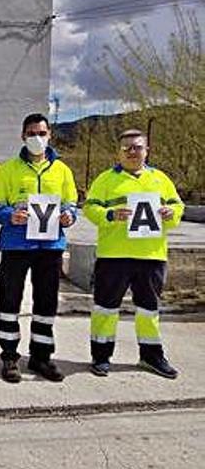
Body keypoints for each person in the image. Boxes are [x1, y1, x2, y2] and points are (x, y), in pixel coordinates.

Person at [83, 129, 184, 379]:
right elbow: (89, 207)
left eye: (137, 147)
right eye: (126, 147)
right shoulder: (105, 179)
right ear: (118, 152)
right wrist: (108, 215)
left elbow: (177, 205)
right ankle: (101, 356)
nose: (131, 152)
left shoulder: (161, 179)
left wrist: (172, 214)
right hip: (113, 256)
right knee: (105, 308)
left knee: (149, 310)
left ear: (146, 150)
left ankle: (151, 355)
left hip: (151, 256)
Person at [0, 113, 77, 383]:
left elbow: (72, 204)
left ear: (50, 135)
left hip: (50, 248)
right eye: (31, 133)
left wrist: (68, 216)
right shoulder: (8, 170)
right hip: (16, 247)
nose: (36, 138)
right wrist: (9, 216)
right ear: (22, 136)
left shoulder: (62, 170)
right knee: (9, 301)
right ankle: (9, 356)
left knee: (46, 303)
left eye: (41, 133)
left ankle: (41, 356)